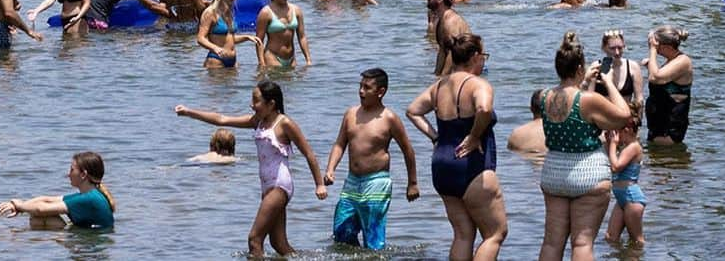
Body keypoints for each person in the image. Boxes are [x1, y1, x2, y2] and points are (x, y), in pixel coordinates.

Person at [176, 80, 328, 258]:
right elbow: (222, 119)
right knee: (279, 244)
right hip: (266, 186)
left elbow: (309, 153)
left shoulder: (285, 124)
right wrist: (189, 112)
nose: (251, 105)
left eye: (256, 101)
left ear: (271, 104)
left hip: (280, 185)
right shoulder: (257, 122)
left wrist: (319, 184)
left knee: (254, 239)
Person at [406, 31, 508, 261]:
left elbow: (413, 111)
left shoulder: (440, 85)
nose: (484, 61)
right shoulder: (478, 85)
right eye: (484, 55)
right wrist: (474, 136)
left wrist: (434, 137)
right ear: (473, 56)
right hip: (472, 166)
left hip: (442, 164)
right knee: (495, 233)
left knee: (463, 234)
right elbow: (483, 109)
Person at [537, 30, 631, 261]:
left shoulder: (544, 96)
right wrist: (608, 83)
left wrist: (585, 79)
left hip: (553, 173)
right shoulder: (587, 100)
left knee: (552, 242)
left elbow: (568, 96)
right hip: (588, 174)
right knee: (582, 243)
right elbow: (624, 115)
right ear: (580, 68)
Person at [325, 67, 419, 250]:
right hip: (352, 181)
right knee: (342, 232)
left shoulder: (389, 118)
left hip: (376, 182)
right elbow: (339, 144)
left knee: (373, 238)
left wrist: (412, 183)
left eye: (367, 87)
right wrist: (330, 169)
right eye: (360, 86)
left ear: (380, 92)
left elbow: (408, 150)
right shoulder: (351, 114)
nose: (361, 91)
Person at [0, 151, 115, 230]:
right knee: (40, 218)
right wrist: (18, 206)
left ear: (83, 174)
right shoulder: (90, 195)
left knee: (41, 217)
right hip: (88, 239)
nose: (68, 174)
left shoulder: (89, 199)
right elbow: (46, 199)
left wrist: (19, 206)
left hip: (90, 247)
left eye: (72, 170)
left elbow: (41, 209)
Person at [197, 0, 262, 69]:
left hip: (233, 61)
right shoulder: (210, 13)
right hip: (216, 60)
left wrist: (246, 37)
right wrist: (215, 48)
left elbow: (229, 38)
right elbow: (200, 38)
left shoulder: (229, 12)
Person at [605, 106, 646, 245]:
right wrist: (609, 144)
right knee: (611, 238)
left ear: (626, 130)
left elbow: (616, 167)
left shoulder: (633, 147)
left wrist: (613, 145)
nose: (616, 136)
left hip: (631, 198)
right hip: (622, 198)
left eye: (617, 132)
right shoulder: (625, 148)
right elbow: (611, 163)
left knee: (636, 241)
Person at [644, 25, 692, 144]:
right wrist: (650, 65)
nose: (655, 48)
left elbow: (655, 78)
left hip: (670, 128)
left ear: (666, 47)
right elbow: (657, 79)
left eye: (657, 46)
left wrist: (652, 51)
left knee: (667, 161)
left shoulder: (683, 61)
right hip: (658, 126)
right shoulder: (671, 62)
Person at [254, 0, 310, 71]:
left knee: (293, 85)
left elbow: (302, 37)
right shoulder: (266, 12)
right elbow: (259, 40)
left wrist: (308, 59)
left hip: (291, 58)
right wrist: (261, 62)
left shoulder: (296, 10)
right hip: (272, 57)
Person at [425, 0, 470, 75]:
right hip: (458, 68)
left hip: (469, 67)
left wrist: (443, 77)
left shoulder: (451, 22)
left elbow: (452, 52)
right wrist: (436, 75)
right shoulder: (441, 20)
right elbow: (442, 50)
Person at [506, 89, 546, 156]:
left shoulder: (516, 133)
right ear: (551, 108)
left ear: (531, 109)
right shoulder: (557, 132)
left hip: (526, 164)